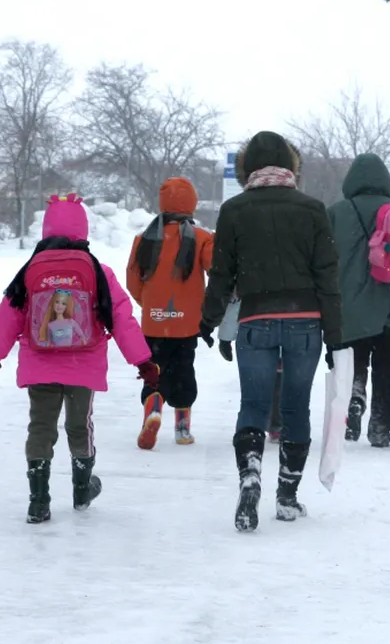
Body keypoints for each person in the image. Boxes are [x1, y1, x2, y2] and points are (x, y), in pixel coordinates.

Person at [0, 194, 158, 524]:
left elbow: (8, 314)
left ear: (46, 228)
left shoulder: (31, 269)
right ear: (83, 229)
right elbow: (121, 317)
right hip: (83, 363)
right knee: (80, 425)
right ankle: (81, 488)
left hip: (40, 363)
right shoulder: (96, 270)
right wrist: (142, 360)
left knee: (41, 427)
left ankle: (38, 500)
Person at [199, 130, 342, 533]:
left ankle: (250, 474)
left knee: (254, 405)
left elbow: (222, 275)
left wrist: (208, 321)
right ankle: (287, 496)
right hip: (305, 322)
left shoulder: (234, 210)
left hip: (255, 320)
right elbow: (328, 277)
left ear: (248, 168)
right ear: (290, 166)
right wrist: (336, 334)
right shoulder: (313, 210)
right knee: (296, 407)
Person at [326, 153, 390, 447]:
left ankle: (355, 398)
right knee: (386, 368)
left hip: (351, 309)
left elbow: (321, 262)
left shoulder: (336, 213)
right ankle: (380, 426)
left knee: (356, 360)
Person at [126, 177, 215, 449]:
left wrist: (149, 305)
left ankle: (152, 411)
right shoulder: (201, 238)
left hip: (153, 323)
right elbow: (216, 270)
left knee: (154, 371)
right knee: (183, 372)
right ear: (192, 205)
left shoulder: (144, 239)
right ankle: (182, 428)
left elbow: (133, 280)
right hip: (187, 324)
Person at [217, 292, 283, 443]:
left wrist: (226, 337)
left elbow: (236, 301)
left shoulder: (250, 269)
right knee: (281, 381)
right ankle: (278, 424)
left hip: (255, 329)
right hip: (292, 327)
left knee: (255, 386)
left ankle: (252, 429)